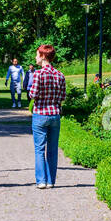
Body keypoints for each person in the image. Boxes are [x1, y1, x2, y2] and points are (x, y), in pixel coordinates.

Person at [28, 43, 66, 188]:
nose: (36, 57)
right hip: (55, 114)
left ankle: (41, 181)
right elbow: (62, 96)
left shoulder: (38, 74)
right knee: (52, 149)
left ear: (43, 56)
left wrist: (33, 94)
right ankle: (50, 181)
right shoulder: (60, 75)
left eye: (37, 54)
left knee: (39, 149)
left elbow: (33, 94)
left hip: (40, 114)